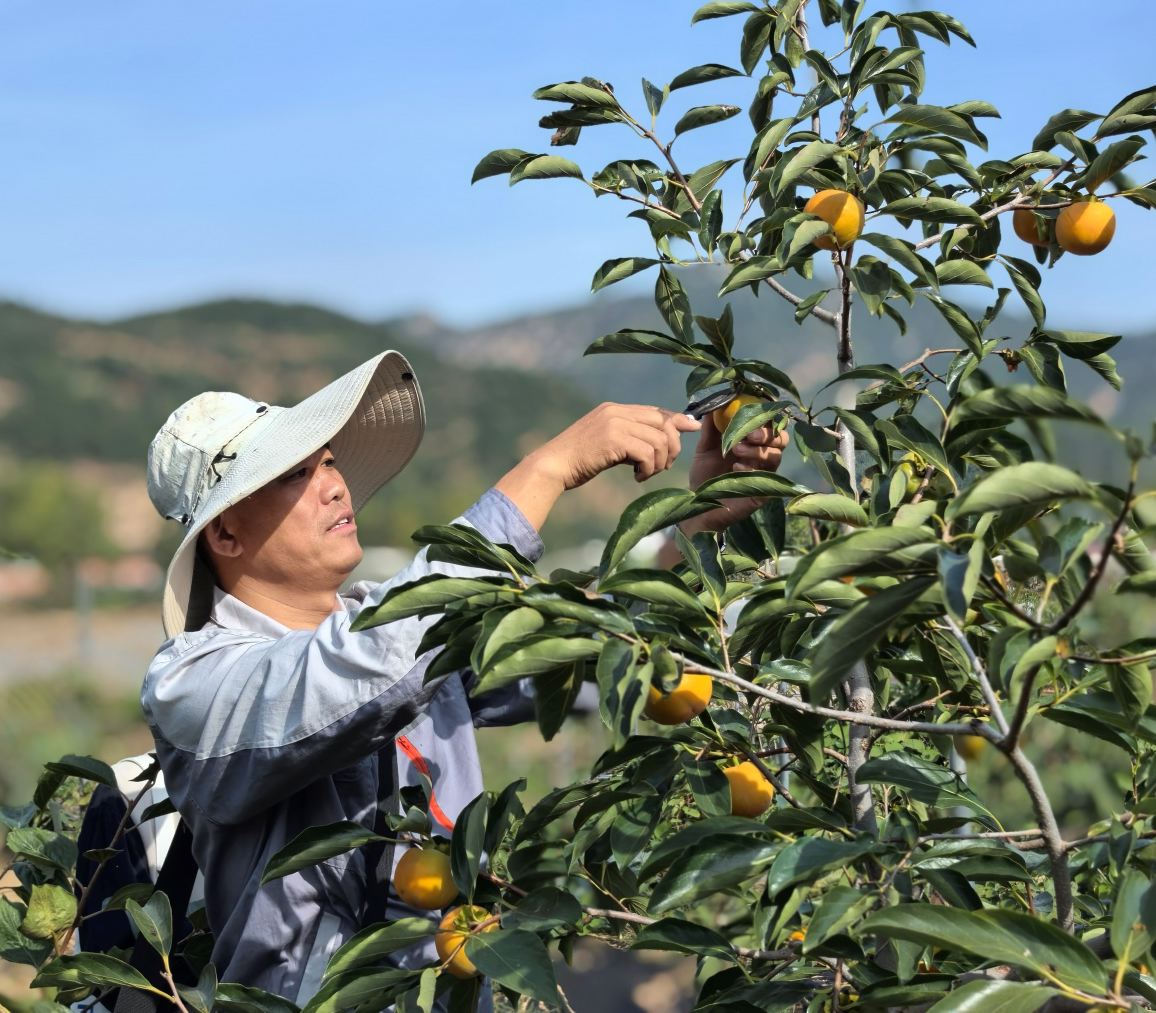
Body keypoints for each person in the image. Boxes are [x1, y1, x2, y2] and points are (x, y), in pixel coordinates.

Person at [140, 350, 786, 1005]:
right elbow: (367, 668)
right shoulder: (193, 682)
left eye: (329, 462)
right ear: (224, 532)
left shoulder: (401, 625)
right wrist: (547, 468)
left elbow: (613, 651)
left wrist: (699, 521)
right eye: (295, 474)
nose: (333, 484)